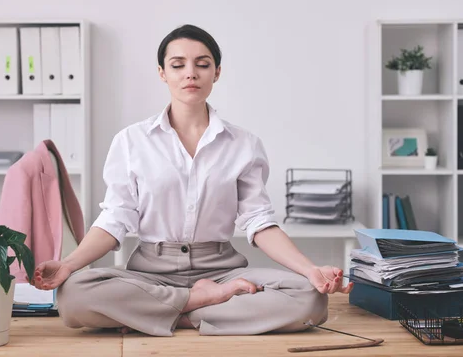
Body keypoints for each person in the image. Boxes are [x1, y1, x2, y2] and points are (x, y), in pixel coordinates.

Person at [30, 24, 353, 336]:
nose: (190, 73)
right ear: (162, 73)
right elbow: (116, 217)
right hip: (150, 273)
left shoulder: (244, 144)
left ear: (217, 72)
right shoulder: (131, 140)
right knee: (74, 295)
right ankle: (200, 303)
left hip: (222, 269)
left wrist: (310, 270)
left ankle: (169, 314)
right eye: (177, 64)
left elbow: (258, 221)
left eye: (202, 64)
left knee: (308, 297)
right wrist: (69, 265)